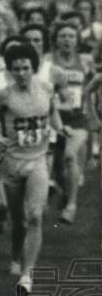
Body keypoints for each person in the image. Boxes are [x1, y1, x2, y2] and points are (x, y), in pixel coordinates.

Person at [0, 43, 63, 294]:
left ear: (33, 68)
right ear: (11, 71)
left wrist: (60, 128)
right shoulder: (4, 95)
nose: (22, 73)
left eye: (26, 68)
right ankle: (16, 256)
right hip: (12, 164)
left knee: (35, 215)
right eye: (16, 69)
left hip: (38, 161)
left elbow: (53, 113)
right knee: (19, 221)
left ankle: (27, 275)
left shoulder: (46, 88)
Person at [41, 22, 93, 223]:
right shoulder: (48, 61)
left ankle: (71, 205)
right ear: (55, 40)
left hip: (78, 119)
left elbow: (92, 85)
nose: (67, 40)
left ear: (77, 40)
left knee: (71, 156)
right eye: (62, 36)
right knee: (54, 165)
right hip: (53, 119)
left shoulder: (85, 60)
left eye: (71, 36)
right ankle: (63, 189)